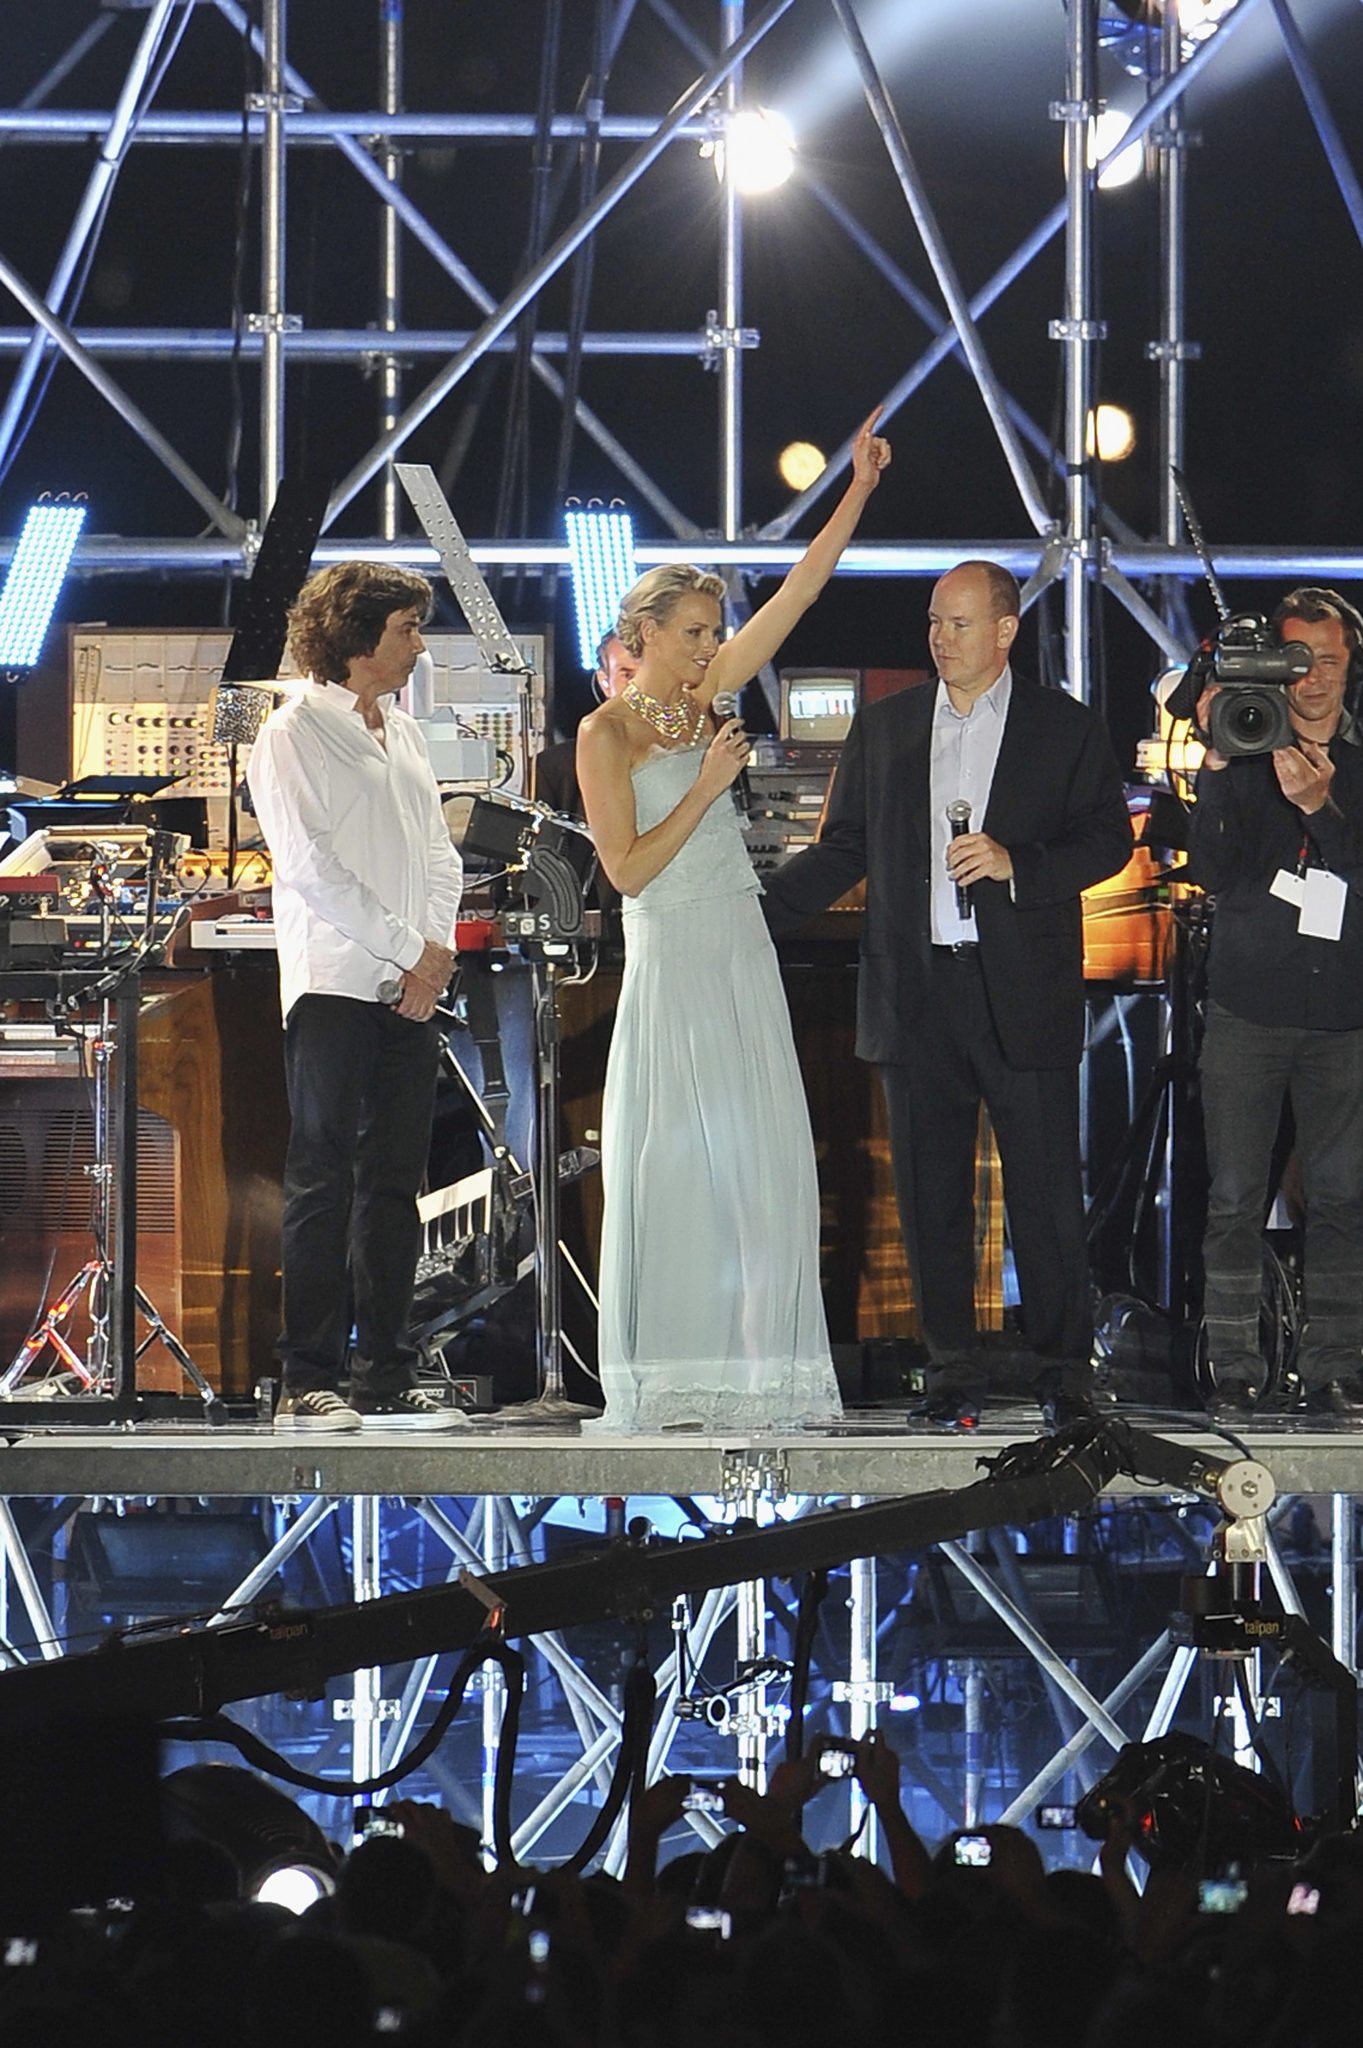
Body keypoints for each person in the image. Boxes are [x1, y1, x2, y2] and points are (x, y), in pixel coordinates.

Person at [576, 408, 891, 1431]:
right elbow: (626, 871)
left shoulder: (708, 695)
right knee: (677, 1168)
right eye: (695, 633)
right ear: (641, 637)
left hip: (739, 947)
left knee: (756, 1168)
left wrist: (856, 490)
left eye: (715, 633)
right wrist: (708, 786)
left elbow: (799, 592)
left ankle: (760, 1377)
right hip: (672, 953)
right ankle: (674, 1381)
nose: (710, 647)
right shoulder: (606, 732)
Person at [761, 560, 1133, 1425]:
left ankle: (1061, 1372)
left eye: (958, 623)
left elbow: (1106, 840)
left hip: (1021, 987)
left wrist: (1016, 863)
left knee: (1042, 1192)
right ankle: (951, 1372)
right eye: (933, 621)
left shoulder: (1063, 728)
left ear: (1004, 630)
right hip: (916, 989)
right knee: (931, 1197)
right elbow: (843, 846)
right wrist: (751, 914)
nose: (939, 638)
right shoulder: (886, 726)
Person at [248, 561, 464, 1431]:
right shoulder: (292, 731)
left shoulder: (403, 731)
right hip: (336, 982)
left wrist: (432, 958)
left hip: (410, 987)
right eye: (407, 629)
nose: (418, 646)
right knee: (322, 1180)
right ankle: (307, 1378)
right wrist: (411, 952)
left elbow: (439, 853)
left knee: (394, 1184)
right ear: (356, 635)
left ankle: (384, 1369)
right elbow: (310, 868)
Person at [1187, 586, 1363, 1419]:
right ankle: (1232, 1367)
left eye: (1328, 661)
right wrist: (1217, 768)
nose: (1314, 679)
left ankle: (1336, 1368)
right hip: (1247, 1007)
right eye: (1297, 662)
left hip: (1344, 1013)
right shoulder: (1244, 738)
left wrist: (1319, 811)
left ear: (1350, 666)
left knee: (1340, 1199)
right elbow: (1210, 872)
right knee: (1233, 1198)